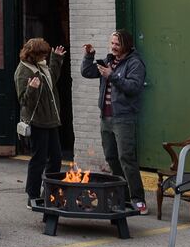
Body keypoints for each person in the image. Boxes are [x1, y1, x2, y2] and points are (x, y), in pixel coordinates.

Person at [81, 30, 147, 214]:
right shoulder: (109, 61)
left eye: (117, 44)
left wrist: (112, 76)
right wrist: (89, 56)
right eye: (112, 43)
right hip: (106, 117)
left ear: (126, 44)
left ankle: (138, 199)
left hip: (124, 117)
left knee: (127, 158)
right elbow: (86, 72)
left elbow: (133, 87)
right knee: (111, 157)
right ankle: (122, 195)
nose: (113, 47)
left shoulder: (135, 63)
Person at [14, 38, 68, 206]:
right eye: (42, 54)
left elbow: (52, 80)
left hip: (51, 120)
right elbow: (23, 101)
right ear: (33, 54)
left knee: (56, 157)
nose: (44, 56)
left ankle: (50, 192)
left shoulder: (41, 66)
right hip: (37, 121)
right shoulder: (23, 71)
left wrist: (56, 59)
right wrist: (32, 88)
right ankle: (32, 195)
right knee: (39, 159)